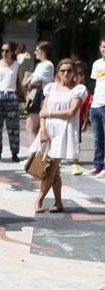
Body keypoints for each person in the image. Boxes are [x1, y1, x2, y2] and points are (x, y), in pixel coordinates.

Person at [36, 59, 88, 214]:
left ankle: (39, 199)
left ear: (74, 73)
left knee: (50, 167)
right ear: (57, 72)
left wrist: (49, 113)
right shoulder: (51, 88)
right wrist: (43, 129)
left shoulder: (78, 89)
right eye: (62, 70)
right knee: (55, 171)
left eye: (69, 70)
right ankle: (58, 202)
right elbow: (42, 111)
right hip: (49, 131)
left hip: (64, 132)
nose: (66, 73)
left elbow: (71, 112)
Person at [0, 41, 25, 162]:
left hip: (11, 95)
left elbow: (21, 83)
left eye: (7, 50)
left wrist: (26, 98)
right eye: (2, 50)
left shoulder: (17, 65)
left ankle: (14, 152)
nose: (4, 53)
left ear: (12, 52)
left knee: (13, 127)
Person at [24, 42, 54, 145]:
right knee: (34, 127)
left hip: (40, 96)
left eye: (37, 50)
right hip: (36, 95)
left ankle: (34, 155)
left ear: (44, 51)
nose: (35, 52)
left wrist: (30, 82)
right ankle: (36, 154)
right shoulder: (40, 65)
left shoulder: (48, 65)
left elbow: (36, 81)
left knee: (31, 126)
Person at [88, 39, 105, 177]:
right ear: (100, 48)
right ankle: (98, 165)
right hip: (96, 105)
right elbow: (95, 83)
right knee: (97, 138)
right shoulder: (97, 64)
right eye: (104, 46)